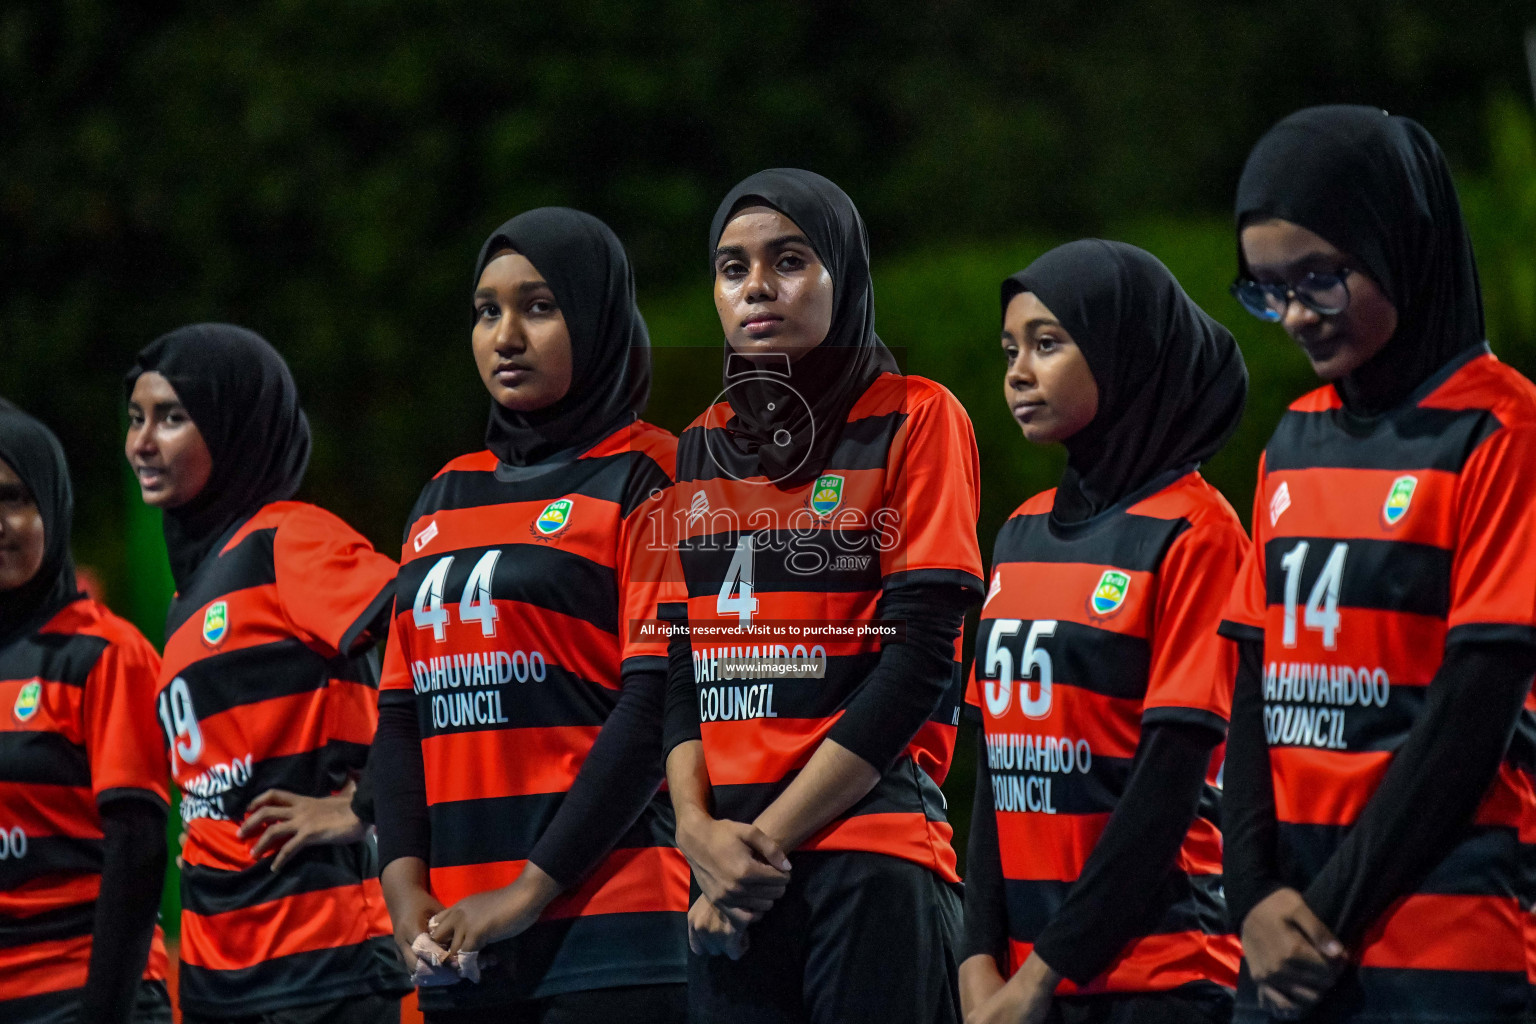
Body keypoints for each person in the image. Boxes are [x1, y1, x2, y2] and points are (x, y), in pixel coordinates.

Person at [1220, 105, 1536, 1023]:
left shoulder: (1501, 428)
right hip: (1285, 947)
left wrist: (1322, 917)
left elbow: (1472, 713)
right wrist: (1253, 900)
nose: (1291, 317)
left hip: (1442, 936)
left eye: (1320, 280)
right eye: (1266, 289)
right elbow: (1253, 684)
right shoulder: (1296, 436)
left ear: (1403, 242)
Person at [660, 169, 985, 1024]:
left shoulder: (919, 417)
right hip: (730, 875)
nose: (757, 286)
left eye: (790, 259)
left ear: (845, 272)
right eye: (732, 268)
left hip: (865, 854)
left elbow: (921, 661)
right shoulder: (700, 443)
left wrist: (757, 846)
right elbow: (679, 663)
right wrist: (697, 837)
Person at [372, 207, 688, 1024]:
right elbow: (401, 716)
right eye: (487, 312)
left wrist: (525, 891)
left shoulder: (652, 476)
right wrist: (405, 890)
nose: (505, 335)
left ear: (596, 317)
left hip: (613, 939)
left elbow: (653, 707)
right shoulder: (443, 491)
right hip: (459, 946)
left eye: (539, 307)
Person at [957, 240, 1248, 1024]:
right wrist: (977, 960)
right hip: (1022, 989)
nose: (1018, 371)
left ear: (1124, 351)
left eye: (1048, 344)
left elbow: (1164, 790)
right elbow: (995, 768)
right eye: (1010, 349)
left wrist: (1041, 975)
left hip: (1161, 978)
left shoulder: (1197, 531)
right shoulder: (1016, 534)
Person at [124, 325, 411, 1023]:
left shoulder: (287, 539)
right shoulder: (182, 601)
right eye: (135, 418)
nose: (142, 442)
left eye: (172, 417)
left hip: (322, 966)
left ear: (234, 425)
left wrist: (361, 807)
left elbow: (432, 627)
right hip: (222, 974)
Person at [0, 401, 171, 1024]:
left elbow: (139, 847)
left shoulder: (103, 653)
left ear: (53, 502)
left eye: (15, 498)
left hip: (85, 997)